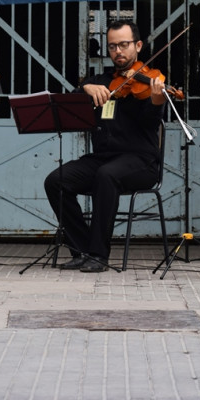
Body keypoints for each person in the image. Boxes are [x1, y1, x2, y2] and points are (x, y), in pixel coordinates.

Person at [43, 20, 165, 272]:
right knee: (56, 180)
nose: (118, 51)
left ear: (138, 46)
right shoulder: (101, 80)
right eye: (112, 46)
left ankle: (98, 255)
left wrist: (156, 101)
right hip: (103, 158)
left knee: (106, 175)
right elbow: (71, 102)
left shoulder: (150, 82)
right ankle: (82, 249)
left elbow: (149, 122)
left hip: (141, 161)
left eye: (124, 44)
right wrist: (85, 87)